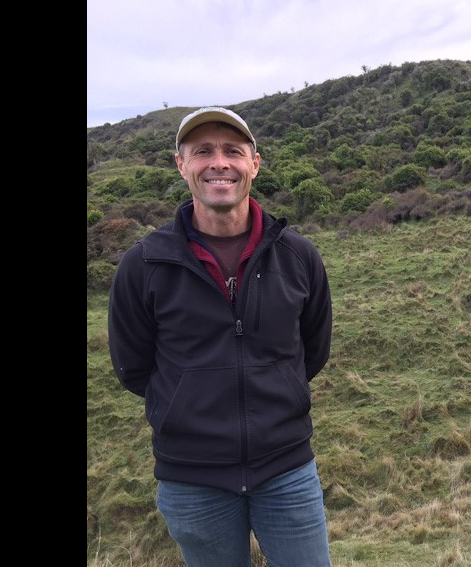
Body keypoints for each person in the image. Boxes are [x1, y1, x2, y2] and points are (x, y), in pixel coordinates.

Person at [108, 107, 334, 567]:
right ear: (181, 164)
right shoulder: (145, 264)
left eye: (233, 151)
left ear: (254, 163)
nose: (219, 163)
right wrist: (185, 405)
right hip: (192, 480)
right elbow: (133, 366)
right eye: (203, 151)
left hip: (287, 470)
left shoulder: (298, 256)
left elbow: (313, 349)